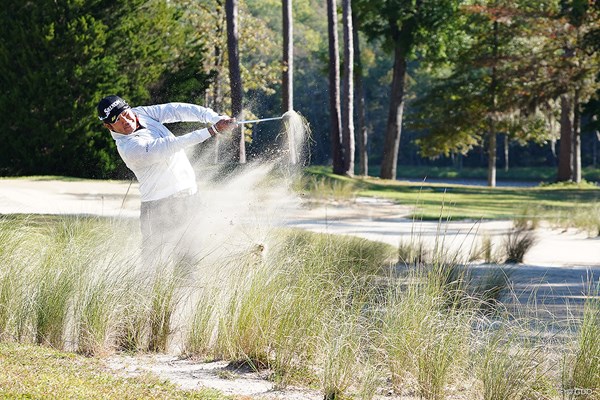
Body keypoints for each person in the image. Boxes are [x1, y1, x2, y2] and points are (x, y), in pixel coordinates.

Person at [97, 95, 236, 265]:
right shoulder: (129, 148)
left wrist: (215, 118)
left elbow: (176, 110)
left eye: (125, 113)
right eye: (117, 120)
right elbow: (172, 145)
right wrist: (212, 130)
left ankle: (186, 292)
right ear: (108, 126)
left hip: (189, 197)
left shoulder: (141, 113)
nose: (125, 120)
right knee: (153, 266)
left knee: (189, 261)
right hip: (158, 207)